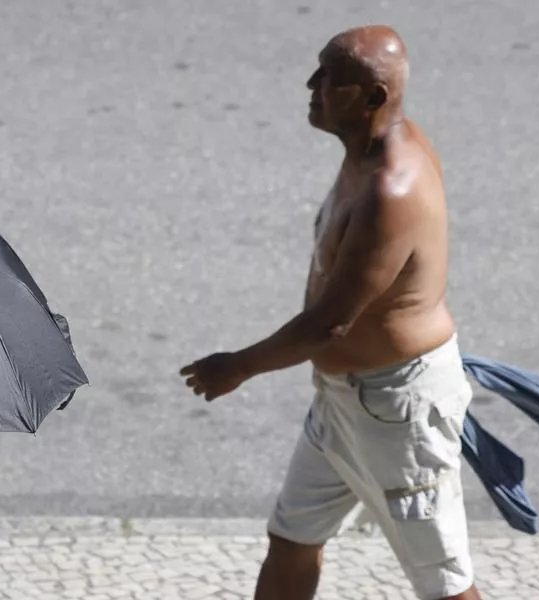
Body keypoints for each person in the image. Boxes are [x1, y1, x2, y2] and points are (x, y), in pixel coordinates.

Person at [178, 25, 481, 600]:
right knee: (292, 537)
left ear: (372, 98)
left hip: (397, 411)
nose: (311, 85)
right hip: (345, 398)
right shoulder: (367, 155)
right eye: (318, 71)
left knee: (443, 583)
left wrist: (237, 366)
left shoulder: (391, 190)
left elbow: (330, 322)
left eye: (331, 79)